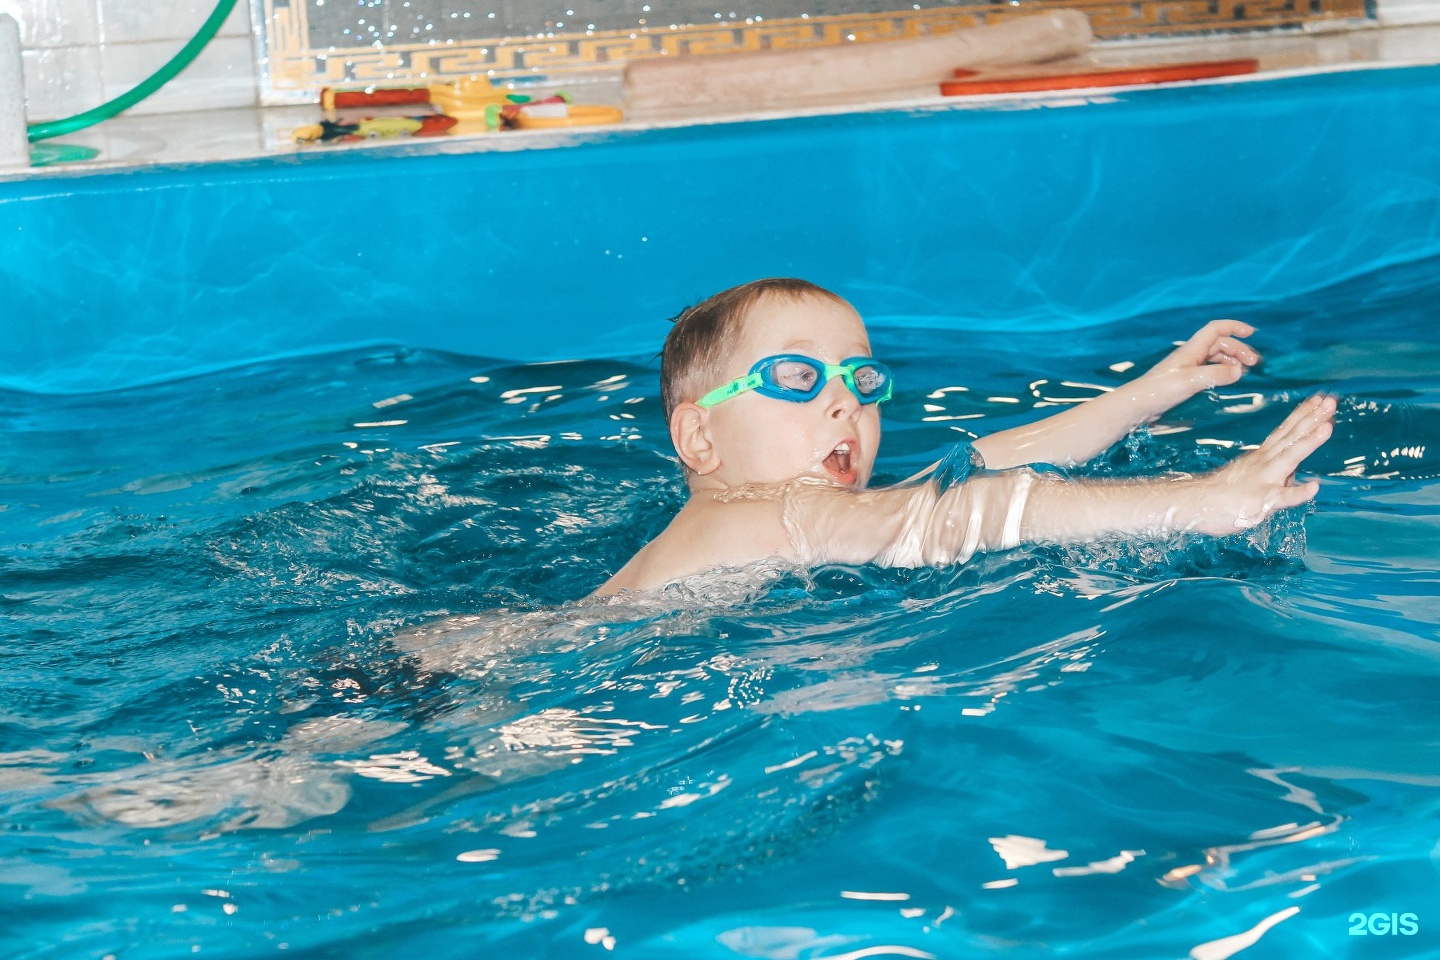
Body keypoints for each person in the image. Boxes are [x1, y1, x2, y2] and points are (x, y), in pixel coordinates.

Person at [592, 278, 1335, 596]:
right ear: (699, 438)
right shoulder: (751, 516)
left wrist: (1151, 391)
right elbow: (966, 513)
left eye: (860, 379)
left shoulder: (787, 517)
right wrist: (1199, 500)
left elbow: (977, 466)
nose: (844, 402)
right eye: (796, 378)